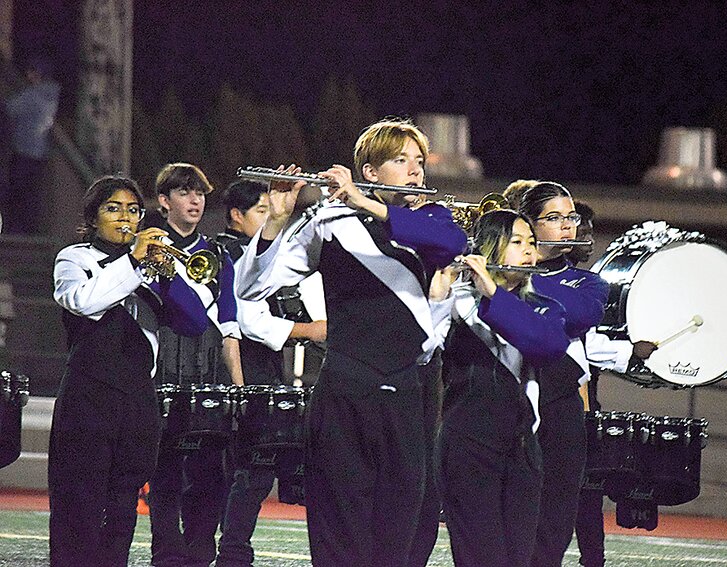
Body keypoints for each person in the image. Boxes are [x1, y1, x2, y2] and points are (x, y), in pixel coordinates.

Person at [235, 118, 468, 566]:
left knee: (399, 527)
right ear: (371, 170)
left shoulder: (433, 221)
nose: (416, 170)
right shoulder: (330, 222)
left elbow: (448, 241)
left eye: (419, 161)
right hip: (343, 386)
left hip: (406, 389)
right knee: (338, 526)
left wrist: (361, 199)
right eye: (401, 161)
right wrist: (275, 220)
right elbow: (251, 289)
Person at [49, 175, 209, 567]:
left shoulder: (149, 264)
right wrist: (134, 260)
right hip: (89, 393)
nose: (126, 217)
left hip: (139, 398)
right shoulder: (75, 258)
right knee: (80, 503)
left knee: (123, 506)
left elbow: (193, 323)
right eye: (114, 208)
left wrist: (169, 275)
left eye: (134, 210)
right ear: (93, 217)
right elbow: (84, 301)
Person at [431, 209, 570, 567]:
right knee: (481, 556)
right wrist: (437, 298)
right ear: (491, 248)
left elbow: (547, 345)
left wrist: (492, 291)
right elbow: (423, 348)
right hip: (468, 445)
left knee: (518, 558)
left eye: (532, 243)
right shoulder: (458, 301)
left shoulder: (545, 307)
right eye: (517, 242)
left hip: (522, 447)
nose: (528, 251)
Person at [214, 179, 326, 567]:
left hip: (265, 366)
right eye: (260, 212)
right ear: (236, 216)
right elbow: (247, 317)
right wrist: (310, 330)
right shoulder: (228, 252)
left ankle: (232, 548)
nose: (267, 221)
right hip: (238, 365)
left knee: (259, 468)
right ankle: (231, 551)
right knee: (249, 468)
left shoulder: (268, 251)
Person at [146, 163, 244, 567]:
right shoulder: (146, 247)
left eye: (200, 193)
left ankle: (202, 551)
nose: (195, 200)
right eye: (185, 193)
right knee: (164, 470)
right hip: (161, 366)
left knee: (210, 473)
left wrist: (237, 387)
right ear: (164, 201)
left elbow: (229, 325)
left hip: (208, 371)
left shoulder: (218, 253)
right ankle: (167, 554)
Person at [513, 183, 608, 567]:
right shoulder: (499, 270)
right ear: (529, 224)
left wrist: (515, 280)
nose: (568, 226)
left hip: (560, 405)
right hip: (507, 397)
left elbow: (582, 314)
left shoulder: (589, 282)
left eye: (570, 218)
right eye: (554, 218)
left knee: (555, 518)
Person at [562, 200, 656, 567]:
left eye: (588, 232)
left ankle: (593, 561)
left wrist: (635, 352)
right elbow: (584, 343)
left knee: (589, 494)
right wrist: (630, 351)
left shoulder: (591, 284)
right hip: (552, 402)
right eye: (579, 231)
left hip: (585, 407)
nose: (586, 240)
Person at [3, 55, 60, 234]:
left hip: (24, 150)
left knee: (18, 193)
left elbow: (10, 108)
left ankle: (17, 230)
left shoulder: (33, 95)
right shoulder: (52, 94)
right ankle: (29, 229)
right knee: (32, 194)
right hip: (40, 151)